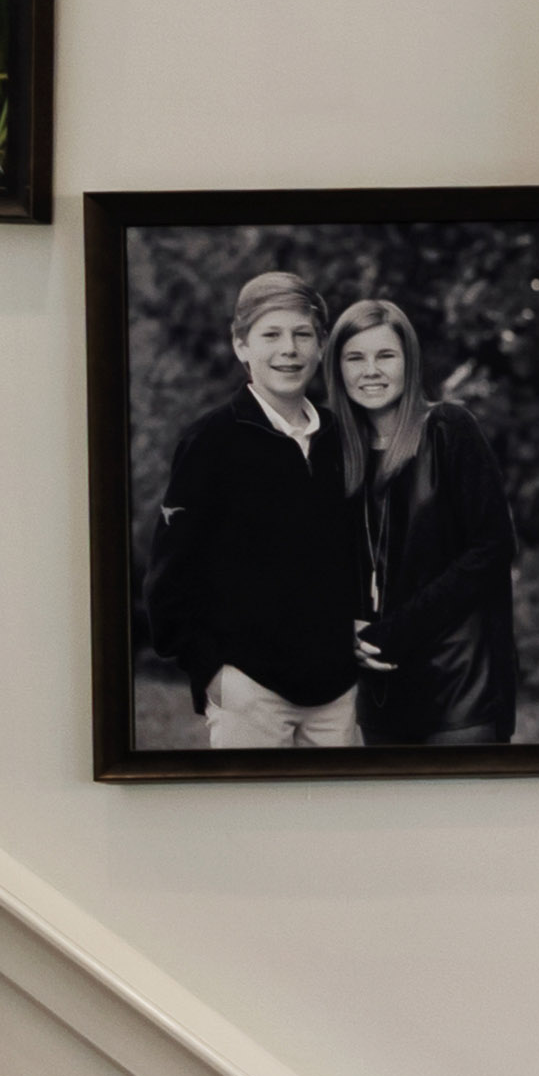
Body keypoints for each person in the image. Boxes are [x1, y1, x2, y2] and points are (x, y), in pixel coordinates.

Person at [142, 267, 364, 745]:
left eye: (302, 334)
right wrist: (211, 670)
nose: (289, 349)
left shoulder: (342, 437)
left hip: (336, 692)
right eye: (271, 334)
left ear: (321, 345)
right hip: (250, 690)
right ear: (241, 345)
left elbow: (359, 552)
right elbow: (171, 576)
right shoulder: (211, 441)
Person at [326, 286, 528, 752]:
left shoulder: (448, 430)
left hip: (460, 686)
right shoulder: (335, 455)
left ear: (409, 362)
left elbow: (492, 548)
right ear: (337, 369)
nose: (371, 370)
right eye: (355, 358)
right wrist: (342, 630)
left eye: (385, 356)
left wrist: (397, 632)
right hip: (381, 689)